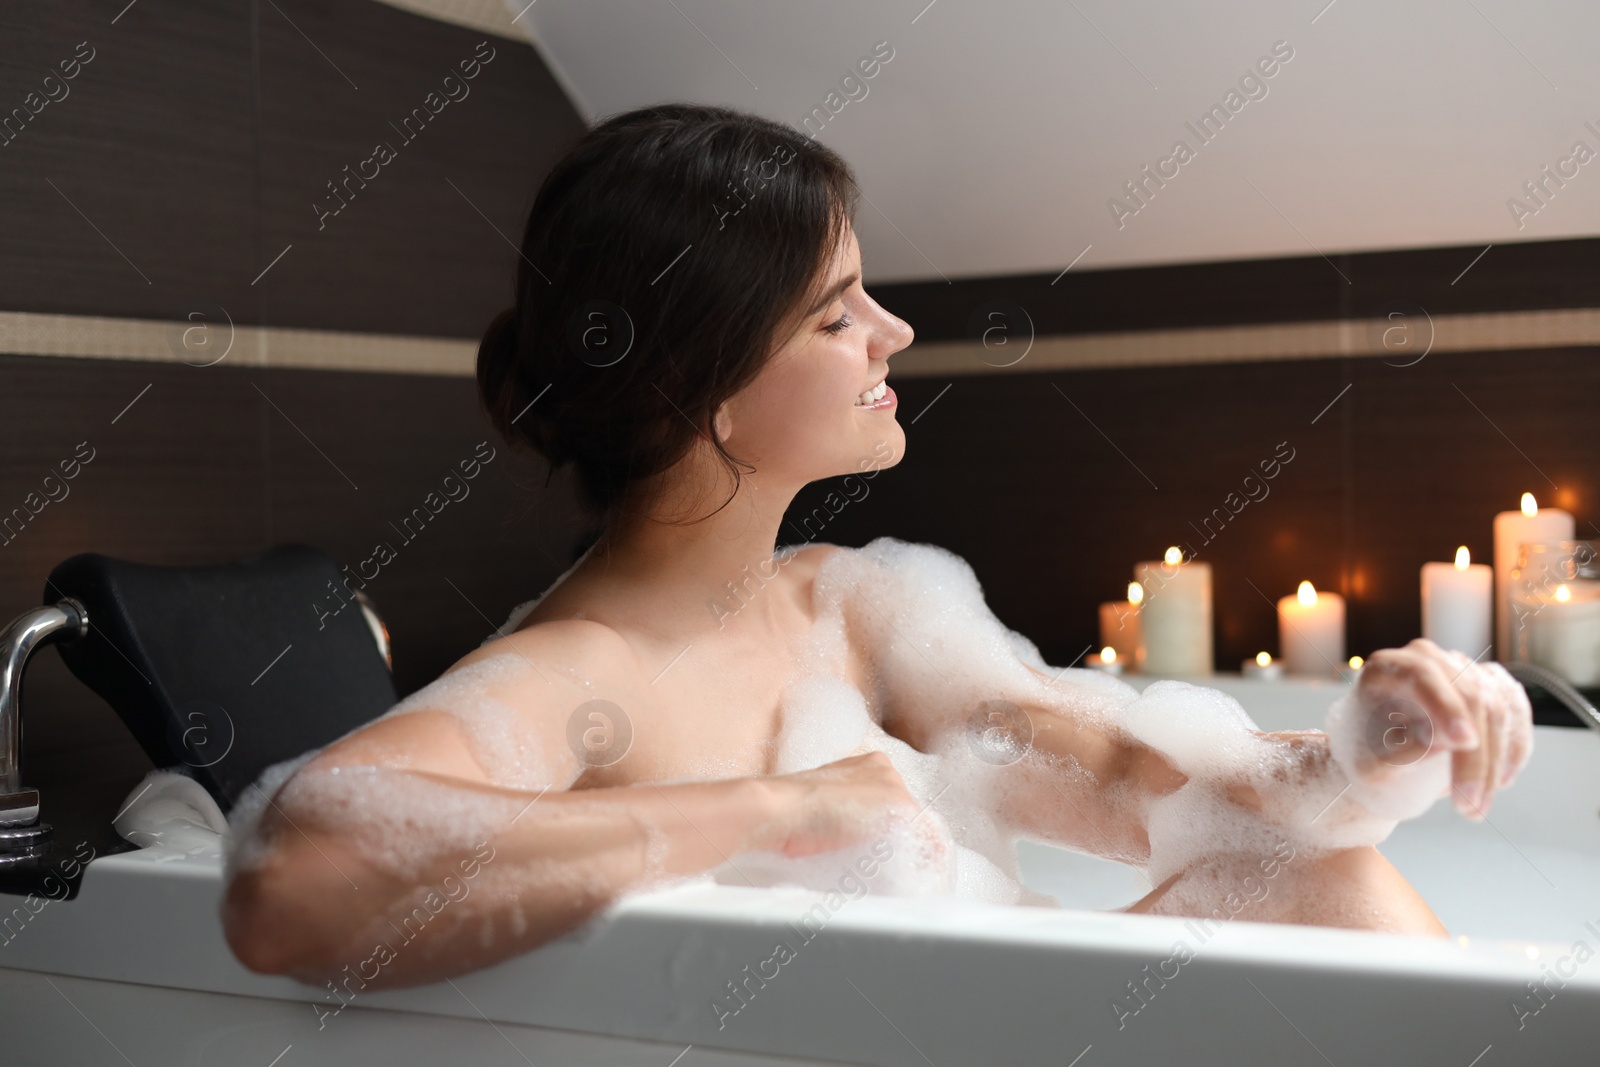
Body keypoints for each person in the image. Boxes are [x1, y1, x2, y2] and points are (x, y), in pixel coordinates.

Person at [221, 104, 1532, 990]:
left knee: (1335, 888)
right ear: (709, 388)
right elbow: (296, 871)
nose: (893, 332)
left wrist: (1375, 747)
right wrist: (786, 808)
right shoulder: (584, 672)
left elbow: (1141, 782)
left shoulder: (843, 605)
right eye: (837, 314)